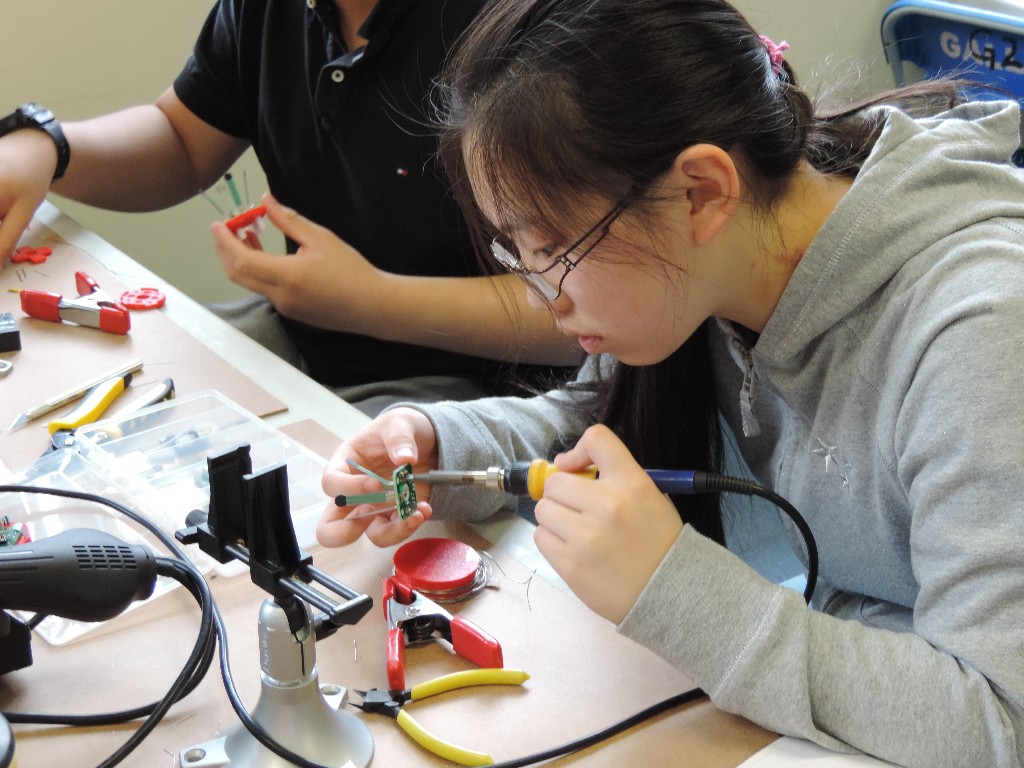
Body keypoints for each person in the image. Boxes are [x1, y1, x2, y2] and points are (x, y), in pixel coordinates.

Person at [316, 1, 1024, 765]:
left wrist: (673, 589)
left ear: (700, 192)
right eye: (515, 252)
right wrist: (438, 447)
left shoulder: (981, 332)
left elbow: (996, 718)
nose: (545, 299)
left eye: (552, 247)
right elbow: (598, 417)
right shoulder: (728, 264)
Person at [0, 0, 580, 414]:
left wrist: (369, 301)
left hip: (488, 393)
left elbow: (578, 308)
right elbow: (182, 139)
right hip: (306, 339)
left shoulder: (526, 25)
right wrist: (48, 146)